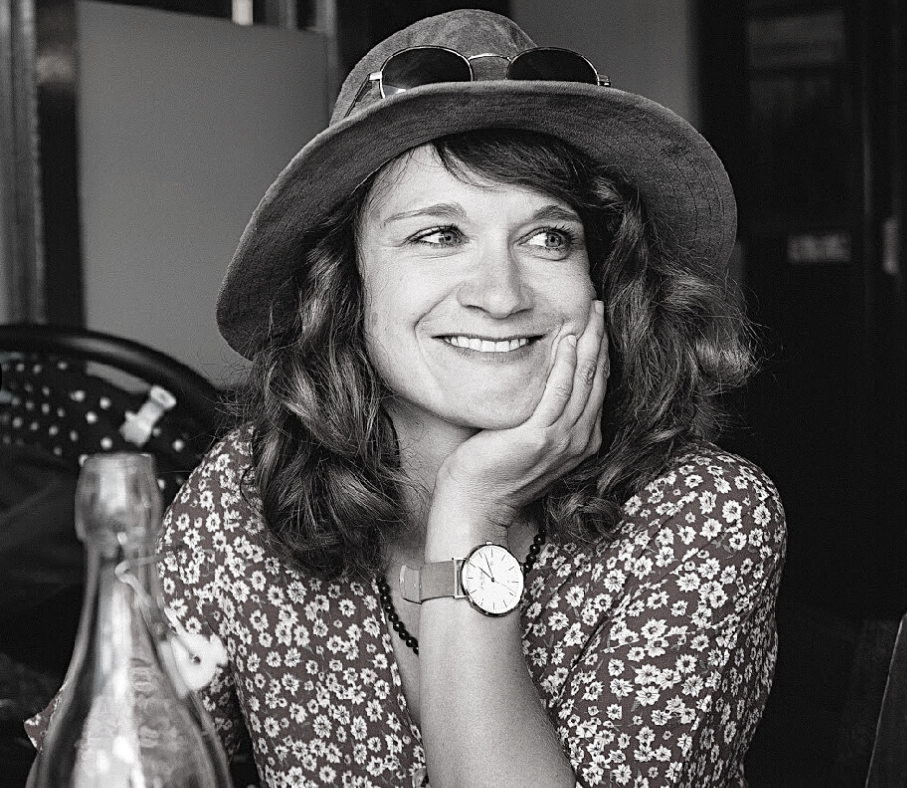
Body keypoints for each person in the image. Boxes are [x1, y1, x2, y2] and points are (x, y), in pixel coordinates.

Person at [27, 9, 786, 787]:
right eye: (439, 235)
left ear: (602, 281)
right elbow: (105, 758)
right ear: (345, 282)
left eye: (549, 238)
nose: (501, 295)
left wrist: (472, 509)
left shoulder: (706, 516)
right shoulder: (248, 490)